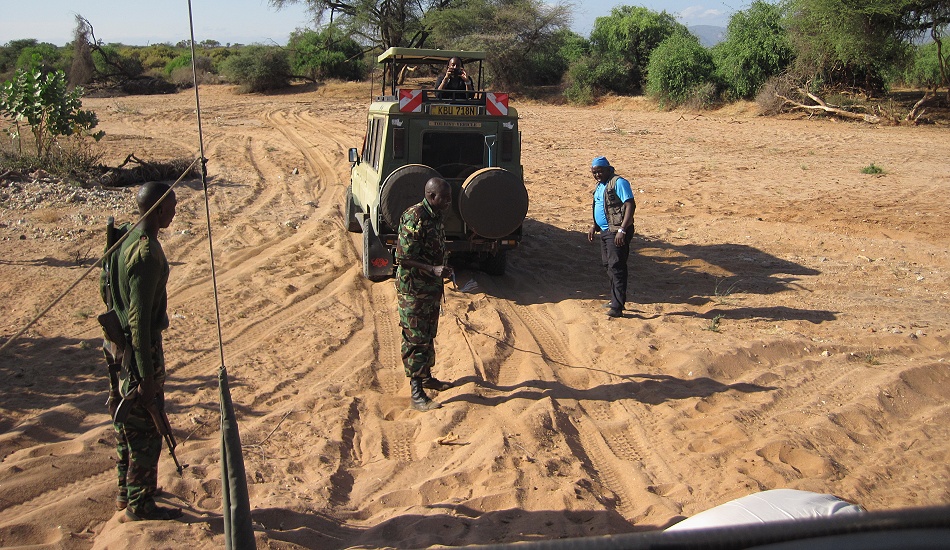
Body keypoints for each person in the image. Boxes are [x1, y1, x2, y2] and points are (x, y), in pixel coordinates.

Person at [103, 181, 182, 521]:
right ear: (159, 210)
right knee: (147, 430)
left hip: (117, 347)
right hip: (138, 350)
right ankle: (140, 503)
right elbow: (139, 322)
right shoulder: (147, 254)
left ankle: (127, 490)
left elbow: (108, 290)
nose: (174, 214)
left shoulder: (127, 236)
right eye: (171, 208)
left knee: (126, 426)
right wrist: (147, 378)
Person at [395, 177, 455, 411]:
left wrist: (442, 267)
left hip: (430, 288)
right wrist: (432, 269)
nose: (449, 202)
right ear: (431, 196)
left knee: (428, 333)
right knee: (416, 338)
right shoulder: (415, 217)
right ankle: (416, 393)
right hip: (414, 289)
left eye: (449, 198)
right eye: (445, 198)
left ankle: (427, 377)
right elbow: (403, 257)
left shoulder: (436, 216)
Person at [587, 156, 635, 318]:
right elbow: (599, 205)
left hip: (616, 231)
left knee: (617, 266)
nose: (597, 175)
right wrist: (594, 226)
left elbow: (630, 204)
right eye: (594, 172)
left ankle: (617, 306)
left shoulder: (619, 183)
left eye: (600, 171)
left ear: (608, 169)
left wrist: (622, 230)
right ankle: (615, 299)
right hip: (605, 231)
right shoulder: (600, 185)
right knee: (608, 265)